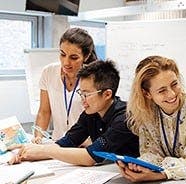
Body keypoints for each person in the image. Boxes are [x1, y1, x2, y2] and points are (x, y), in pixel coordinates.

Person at [9, 60, 139, 166]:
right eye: (80, 93)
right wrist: (28, 152)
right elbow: (67, 142)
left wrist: (44, 150)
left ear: (107, 94)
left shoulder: (124, 118)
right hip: (114, 170)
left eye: (86, 94)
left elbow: (90, 157)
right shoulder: (91, 113)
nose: (82, 100)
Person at [116, 55, 186, 182]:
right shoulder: (146, 112)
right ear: (147, 94)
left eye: (174, 84)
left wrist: (160, 174)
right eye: (162, 91)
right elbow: (151, 154)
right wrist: (137, 165)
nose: (172, 94)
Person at [34, 27, 98, 143]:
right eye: (62, 54)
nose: (66, 62)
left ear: (86, 56)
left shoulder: (93, 79)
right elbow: (44, 111)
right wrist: (38, 137)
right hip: (57, 143)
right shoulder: (48, 72)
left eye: (74, 58)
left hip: (84, 145)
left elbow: (98, 117)